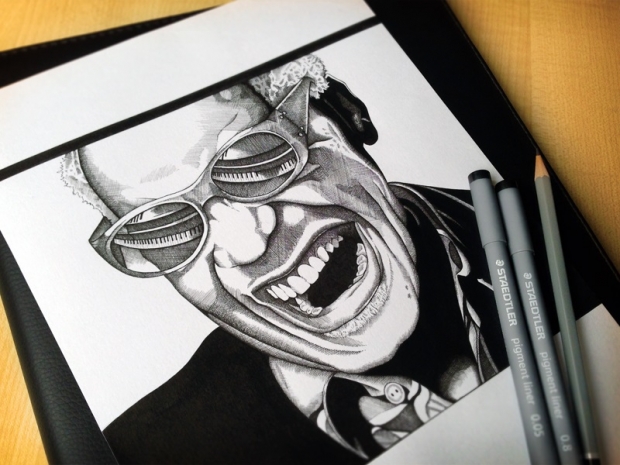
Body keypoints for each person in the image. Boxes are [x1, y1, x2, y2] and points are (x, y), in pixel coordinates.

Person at [62, 55, 505, 464]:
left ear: (344, 114)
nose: (247, 246)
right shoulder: (151, 449)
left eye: (256, 160)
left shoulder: (533, 220)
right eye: (166, 230)